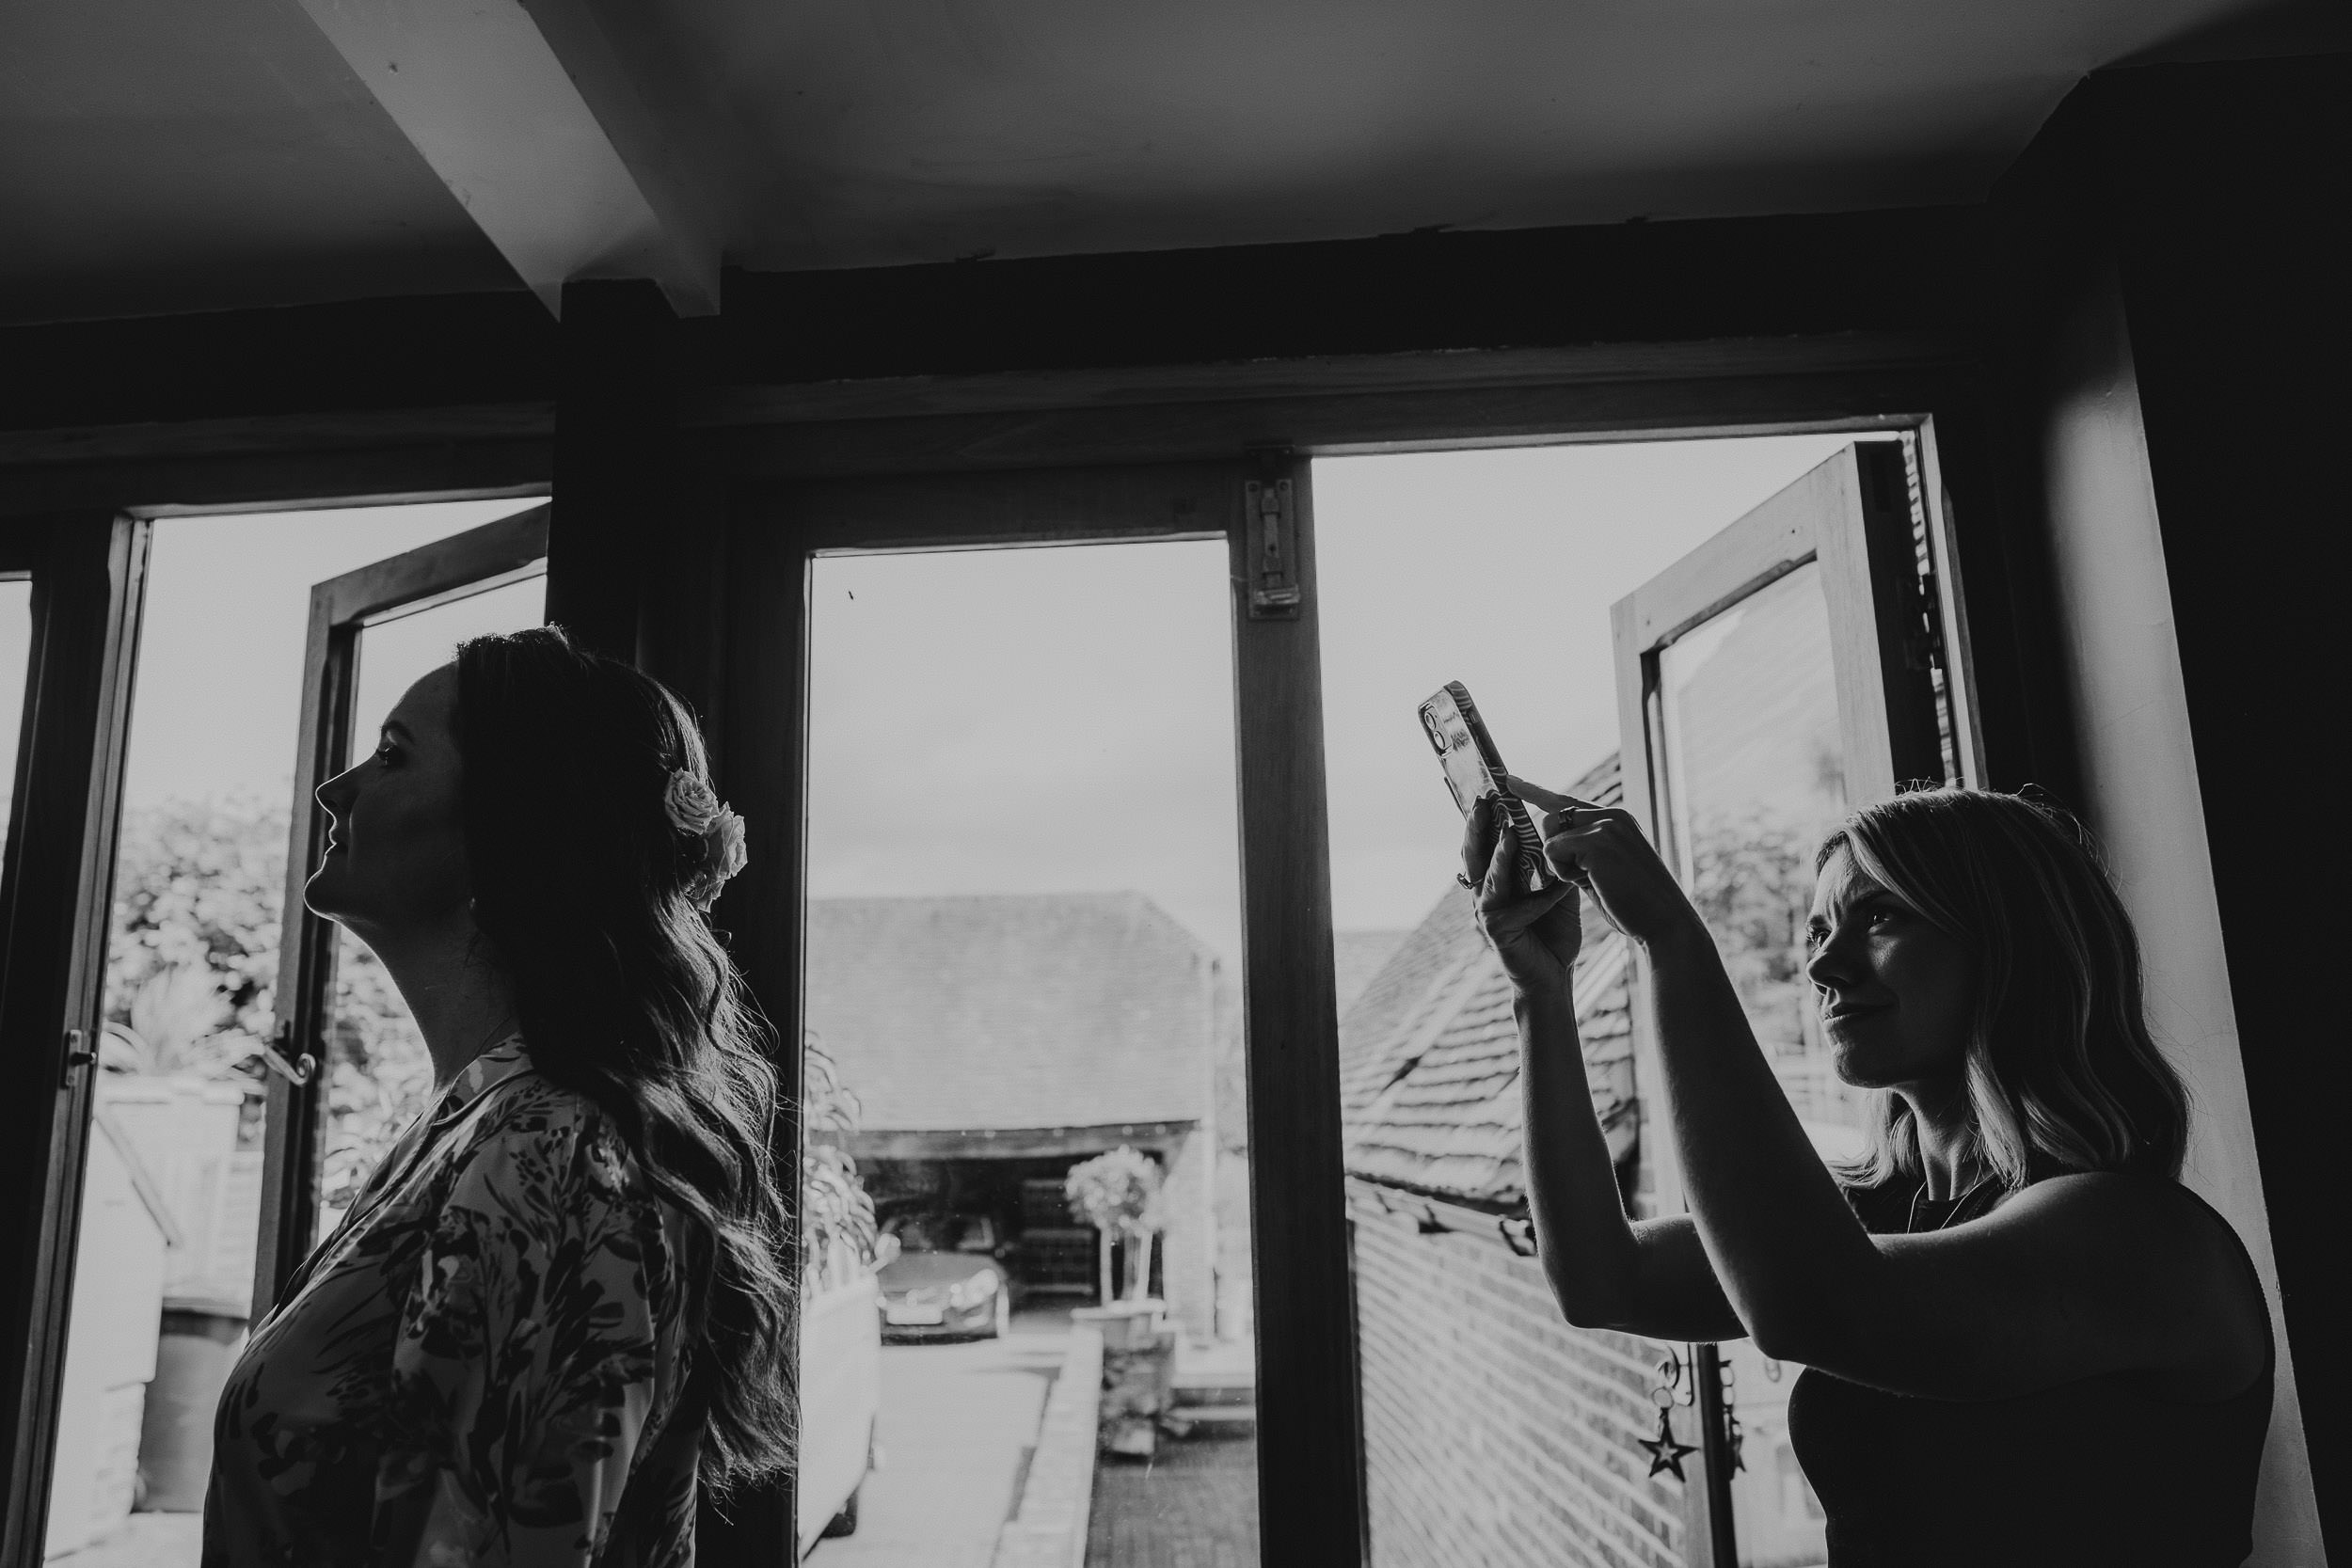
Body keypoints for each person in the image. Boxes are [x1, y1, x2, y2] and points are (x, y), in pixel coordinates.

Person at [1467, 781, 2271, 1566]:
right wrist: (1540, 988)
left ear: (2011, 939)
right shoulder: (1877, 1213)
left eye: (1879, 915)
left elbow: (1815, 1306)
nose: (1825, 966)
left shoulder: (2138, 1237)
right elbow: (1605, 1278)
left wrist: (1673, 941)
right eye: (1818, 930)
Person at [205, 626, 791, 1568]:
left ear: (510, 831)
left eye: (393, 754)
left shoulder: (551, 1155)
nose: (335, 789)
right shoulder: (469, 1124)